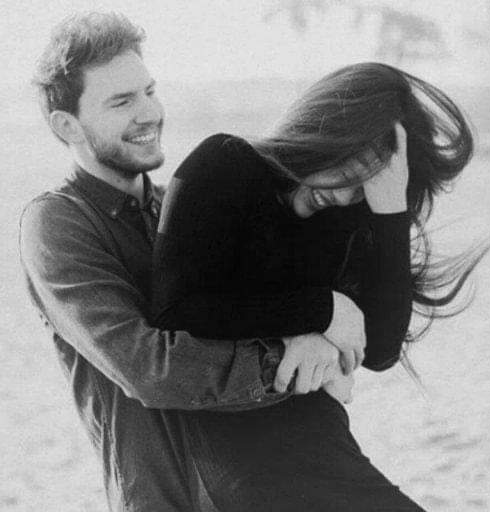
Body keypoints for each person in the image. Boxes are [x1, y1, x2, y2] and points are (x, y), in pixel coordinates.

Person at [151, 63, 490, 511]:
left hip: (323, 442)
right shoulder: (225, 163)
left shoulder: (347, 218)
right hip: (237, 456)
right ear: (328, 129)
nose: (347, 195)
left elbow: (381, 350)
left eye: (366, 187)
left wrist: (390, 211)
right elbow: (175, 310)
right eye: (351, 167)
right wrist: (325, 310)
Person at [19, 12, 303, 512]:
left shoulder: (185, 205)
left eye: (149, 91)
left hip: (261, 488)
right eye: (122, 101)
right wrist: (289, 361)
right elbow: (149, 367)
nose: (149, 112)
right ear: (67, 124)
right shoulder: (57, 223)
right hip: (166, 500)